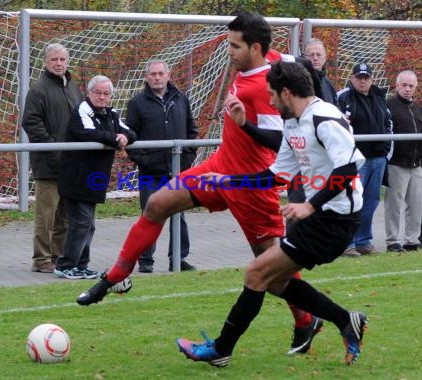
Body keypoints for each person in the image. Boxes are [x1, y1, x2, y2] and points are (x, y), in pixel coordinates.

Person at [77, 13, 321, 355]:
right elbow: (302, 64)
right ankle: (115, 276)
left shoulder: (263, 89)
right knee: (157, 204)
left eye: (234, 46)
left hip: (249, 186)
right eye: (228, 44)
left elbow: (277, 141)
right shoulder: (275, 60)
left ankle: (305, 321)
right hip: (219, 168)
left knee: (272, 273)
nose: (229, 52)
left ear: (254, 48)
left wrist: (246, 123)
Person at [177, 61, 367, 367]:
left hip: (336, 220)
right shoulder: (293, 123)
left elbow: (346, 169)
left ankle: (221, 350)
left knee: (256, 273)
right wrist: (228, 180)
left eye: (271, 95)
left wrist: (309, 205)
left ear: (287, 92)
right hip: (319, 218)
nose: (269, 101)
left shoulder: (325, 117)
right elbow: (275, 175)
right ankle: (346, 320)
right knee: (276, 282)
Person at [55, 75, 135, 279]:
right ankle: (65, 265)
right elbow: (88, 133)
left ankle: (81, 265)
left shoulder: (112, 114)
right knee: (80, 222)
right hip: (75, 177)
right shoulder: (81, 110)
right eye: (97, 92)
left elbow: (129, 132)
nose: (101, 97)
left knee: (88, 224)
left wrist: (124, 137)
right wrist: (115, 139)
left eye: (106, 93)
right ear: (89, 93)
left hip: (94, 179)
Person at [127, 60, 198, 273]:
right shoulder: (137, 103)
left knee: (180, 216)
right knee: (150, 216)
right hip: (151, 173)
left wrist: (186, 160)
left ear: (168, 75)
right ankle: (145, 261)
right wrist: (146, 161)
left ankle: (178, 258)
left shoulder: (181, 99)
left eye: (161, 73)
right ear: (146, 77)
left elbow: (191, 133)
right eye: (153, 74)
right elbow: (130, 137)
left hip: (178, 172)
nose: (157, 77)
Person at [22, 43, 83, 273]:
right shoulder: (38, 90)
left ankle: (59, 256)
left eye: (62, 59)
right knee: (46, 217)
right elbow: (31, 123)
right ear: (46, 62)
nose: (58, 63)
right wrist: (54, 150)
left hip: (71, 164)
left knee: (64, 216)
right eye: (54, 60)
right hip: (47, 165)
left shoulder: (73, 88)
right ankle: (41, 259)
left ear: (68, 61)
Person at [337, 63, 393, 256]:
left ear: (371, 79)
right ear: (352, 79)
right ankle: (348, 242)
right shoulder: (343, 97)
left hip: (378, 158)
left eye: (366, 78)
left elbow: (388, 124)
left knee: (370, 201)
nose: (362, 81)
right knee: (352, 200)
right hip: (355, 160)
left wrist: (386, 152)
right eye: (359, 77)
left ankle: (364, 240)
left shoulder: (379, 97)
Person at [384, 70, 422, 252]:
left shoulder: (418, 109)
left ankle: (412, 239)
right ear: (397, 85)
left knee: (416, 205)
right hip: (397, 163)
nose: (407, 89)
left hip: (417, 164)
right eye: (404, 85)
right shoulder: (388, 106)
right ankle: (392, 240)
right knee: (394, 204)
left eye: (411, 86)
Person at [303, 38, 338, 106]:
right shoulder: (298, 81)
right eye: (311, 55)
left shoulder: (327, 83)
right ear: (304, 57)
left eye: (318, 54)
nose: (315, 58)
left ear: (325, 58)